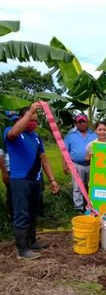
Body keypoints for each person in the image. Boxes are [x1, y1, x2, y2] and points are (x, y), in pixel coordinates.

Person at [4, 103, 60, 259]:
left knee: (32, 212)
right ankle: (22, 249)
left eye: (36, 121)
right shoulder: (10, 131)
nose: (34, 123)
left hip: (36, 181)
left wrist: (52, 180)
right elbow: (14, 133)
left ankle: (32, 241)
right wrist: (31, 111)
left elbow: (44, 159)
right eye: (31, 120)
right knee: (21, 214)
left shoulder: (36, 137)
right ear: (22, 118)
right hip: (20, 181)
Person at [63, 112, 97, 212]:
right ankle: (78, 207)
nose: (82, 124)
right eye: (79, 122)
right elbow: (64, 151)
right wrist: (64, 165)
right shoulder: (70, 135)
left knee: (91, 186)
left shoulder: (94, 134)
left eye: (84, 121)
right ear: (76, 123)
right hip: (76, 165)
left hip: (92, 165)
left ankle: (91, 206)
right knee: (77, 187)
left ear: (88, 122)